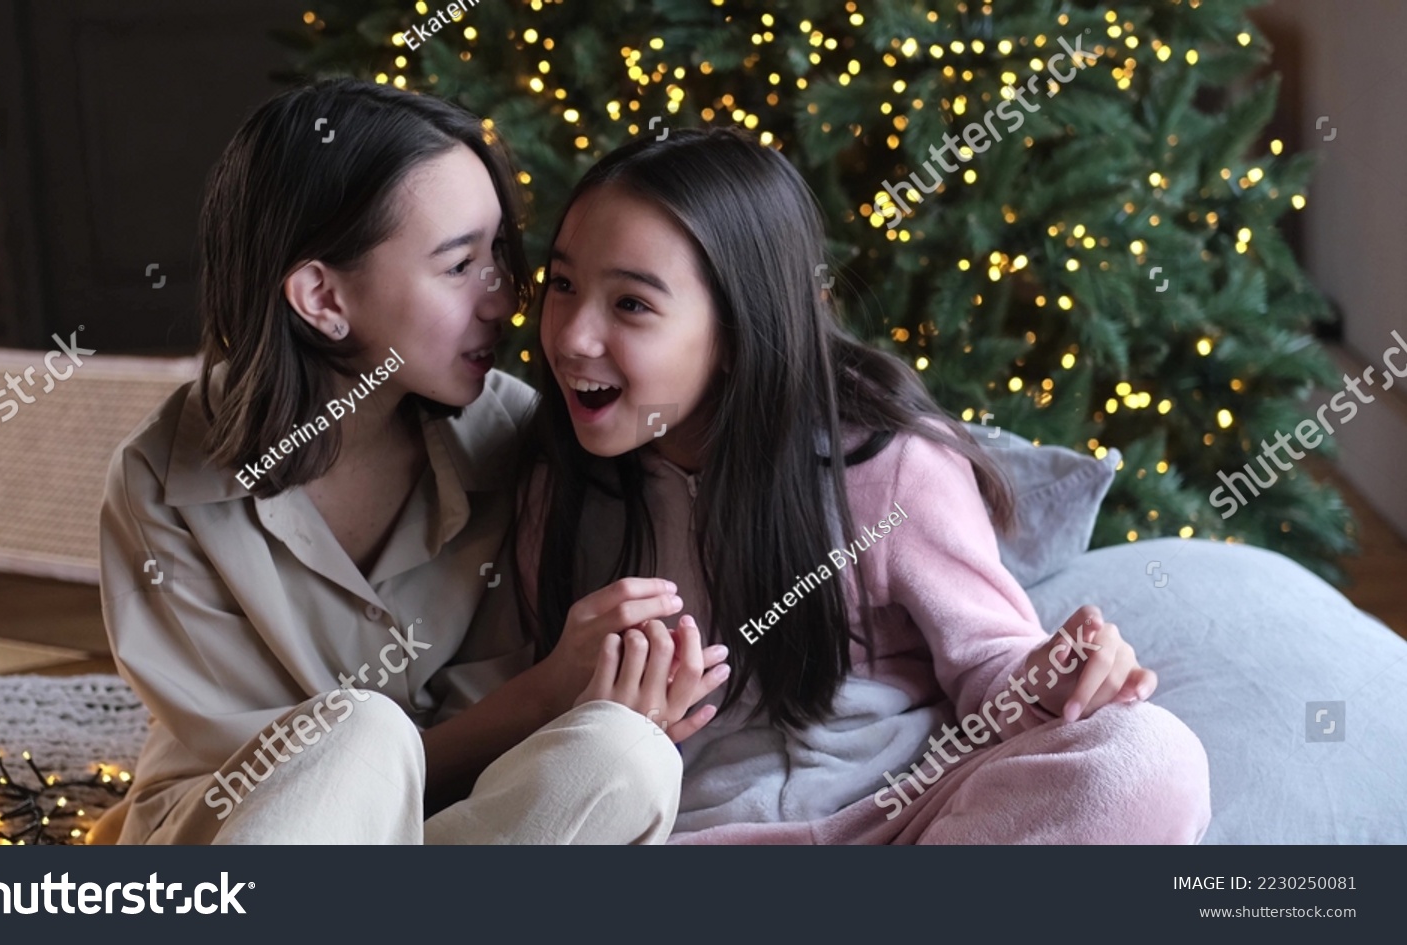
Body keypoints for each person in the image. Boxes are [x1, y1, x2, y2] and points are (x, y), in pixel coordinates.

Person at [515, 127, 1211, 844]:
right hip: (686, 840)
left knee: (1147, 756)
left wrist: (1058, 677)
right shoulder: (560, 487)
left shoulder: (888, 464)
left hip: (910, 818)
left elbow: (991, 662)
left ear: (739, 328)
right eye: (562, 285)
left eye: (630, 304)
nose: (571, 336)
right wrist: (603, 724)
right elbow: (549, 762)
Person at [89, 79, 726, 846]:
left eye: (499, 254)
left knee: (629, 757)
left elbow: (521, 772)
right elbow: (273, 778)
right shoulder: (163, 486)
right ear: (322, 298)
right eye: (460, 266)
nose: (505, 299)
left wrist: (632, 690)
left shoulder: (521, 439)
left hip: (457, 825)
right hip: (245, 837)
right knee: (359, 733)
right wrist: (542, 692)